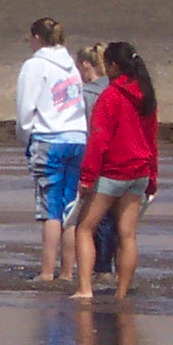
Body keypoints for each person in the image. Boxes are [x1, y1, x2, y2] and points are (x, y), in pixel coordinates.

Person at [73, 42, 161, 303]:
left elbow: (99, 140)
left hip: (113, 172)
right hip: (139, 171)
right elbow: (151, 138)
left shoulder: (110, 96)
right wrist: (153, 178)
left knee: (84, 228)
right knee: (127, 234)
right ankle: (121, 293)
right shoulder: (146, 95)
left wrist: (87, 177)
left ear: (112, 66)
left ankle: (85, 289)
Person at [17, 17, 88, 284]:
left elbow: (26, 109)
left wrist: (24, 136)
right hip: (77, 138)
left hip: (50, 138)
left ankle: (47, 272)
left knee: (50, 209)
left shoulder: (35, 66)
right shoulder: (71, 64)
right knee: (70, 207)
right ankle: (68, 272)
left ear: (37, 38)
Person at [72, 42, 120, 279]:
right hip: (123, 159)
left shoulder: (88, 94)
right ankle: (111, 268)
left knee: (94, 219)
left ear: (85, 65)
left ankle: (100, 269)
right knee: (117, 220)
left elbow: (90, 132)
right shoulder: (118, 89)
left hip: (100, 159)